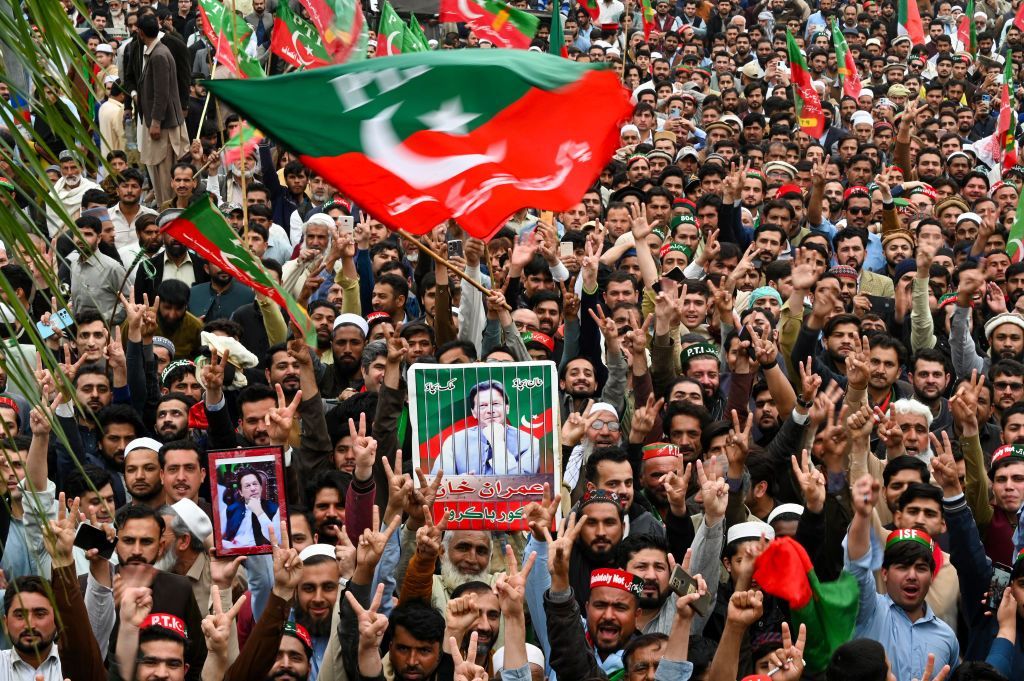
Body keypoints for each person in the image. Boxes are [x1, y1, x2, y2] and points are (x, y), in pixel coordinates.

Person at [433, 379, 542, 475]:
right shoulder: (455, 441)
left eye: (495, 404)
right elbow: (439, 484)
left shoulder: (530, 442)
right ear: (474, 412)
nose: (490, 410)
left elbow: (522, 485)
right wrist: (460, 482)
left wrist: (498, 443)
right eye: (483, 406)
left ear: (507, 408)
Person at [222, 466, 281, 549]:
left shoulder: (274, 509)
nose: (253, 488)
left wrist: (259, 512)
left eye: (255, 484)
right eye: (247, 486)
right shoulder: (231, 510)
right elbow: (221, 537)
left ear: (261, 487)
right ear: (241, 492)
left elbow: (277, 540)